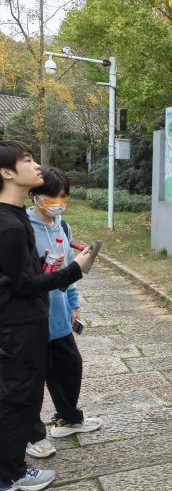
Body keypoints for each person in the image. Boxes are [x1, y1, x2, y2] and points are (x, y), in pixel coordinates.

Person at [0, 140, 92, 491]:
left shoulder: (14, 218)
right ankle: (11, 474)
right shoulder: (11, 225)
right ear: (7, 172)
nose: (36, 165)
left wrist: (61, 278)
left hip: (30, 322)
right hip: (17, 325)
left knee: (24, 395)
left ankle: (13, 468)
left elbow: (23, 274)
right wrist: (74, 270)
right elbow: (24, 284)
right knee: (18, 398)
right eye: (27, 160)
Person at [24, 168, 102, 461]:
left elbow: (69, 272)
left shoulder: (63, 226)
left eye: (63, 197)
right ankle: (30, 436)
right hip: (30, 318)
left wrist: (74, 304)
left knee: (70, 367)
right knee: (31, 381)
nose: (58, 202)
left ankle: (67, 419)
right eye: (52, 196)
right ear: (35, 195)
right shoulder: (23, 228)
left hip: (57, 316)